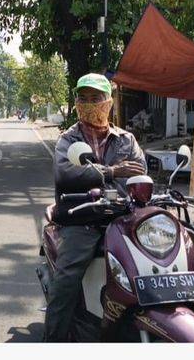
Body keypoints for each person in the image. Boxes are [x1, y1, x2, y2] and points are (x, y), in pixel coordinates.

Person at [44, 73, 146, 342]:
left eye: (96, 98)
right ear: (76, 102)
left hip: (122, 218)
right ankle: (52, 340)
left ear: (108, 102)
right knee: (66, 279)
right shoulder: (68, 139)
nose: (89, 104)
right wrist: (111, 171)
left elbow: (139, 175)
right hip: (83, 218)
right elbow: (64, 174)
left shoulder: (127, 140)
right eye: (84, 98)